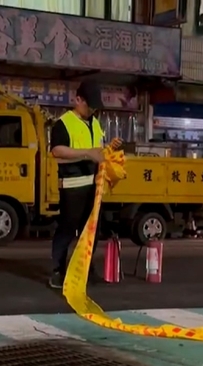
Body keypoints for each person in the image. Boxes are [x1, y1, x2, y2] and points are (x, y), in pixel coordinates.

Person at [47, 79, 121, 289]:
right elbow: (57, 152)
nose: (93, 110)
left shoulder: (95, 123)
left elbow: (99, 150)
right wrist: (87, 154)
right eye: (90, 106)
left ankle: (86, 270)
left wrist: (109, 148)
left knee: (91, 231)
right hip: (72, 186)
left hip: (94, 187)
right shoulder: (63, 123)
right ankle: (57, 272)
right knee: (67, 230)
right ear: (78, 100)